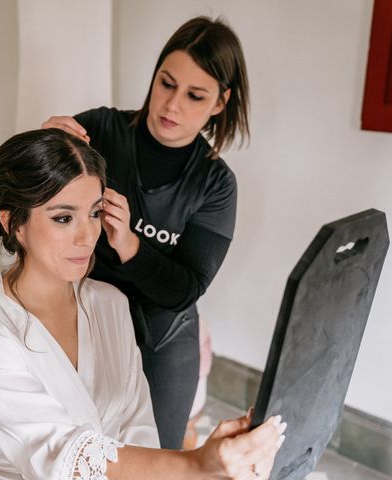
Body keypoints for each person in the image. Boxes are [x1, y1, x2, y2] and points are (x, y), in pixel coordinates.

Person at [0, 129, 285, 480]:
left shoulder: (109, 304)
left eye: (93, 214)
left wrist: (214, 465)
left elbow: (139, 427)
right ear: (12, 222)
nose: (87, 236)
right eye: (63, 218)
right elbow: (62, 453)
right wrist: (195, 465)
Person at [42, 16, 248, 449]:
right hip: (87, 318)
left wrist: (131, 245)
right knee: (80, 451)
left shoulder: (215, 185)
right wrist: (44, 144)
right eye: (166, 83)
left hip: (164, 332)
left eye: (195, 95)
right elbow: (31, 192)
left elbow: (185, 288)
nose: (172, 105)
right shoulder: (99, 131)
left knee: (158, 456)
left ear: (219, 102)